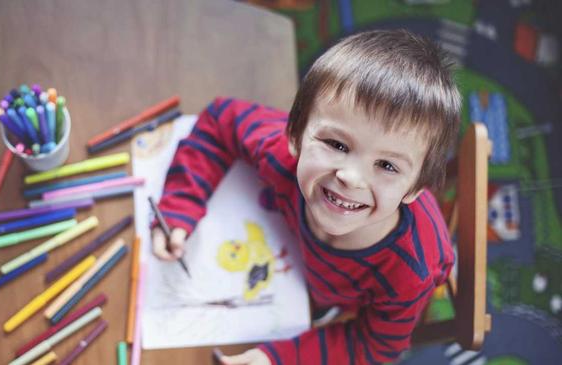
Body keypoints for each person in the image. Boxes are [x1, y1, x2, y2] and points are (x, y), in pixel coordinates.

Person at [151, 29, 460, 365]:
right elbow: (220, 119)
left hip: (335, 303)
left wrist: (277, 359)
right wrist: (179, 209)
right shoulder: (280, 155)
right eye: (337, 145)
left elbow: (375, 347)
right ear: (295, 135)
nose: (350, 178)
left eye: (386, 165)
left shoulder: (410, 271)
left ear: (414, 189)